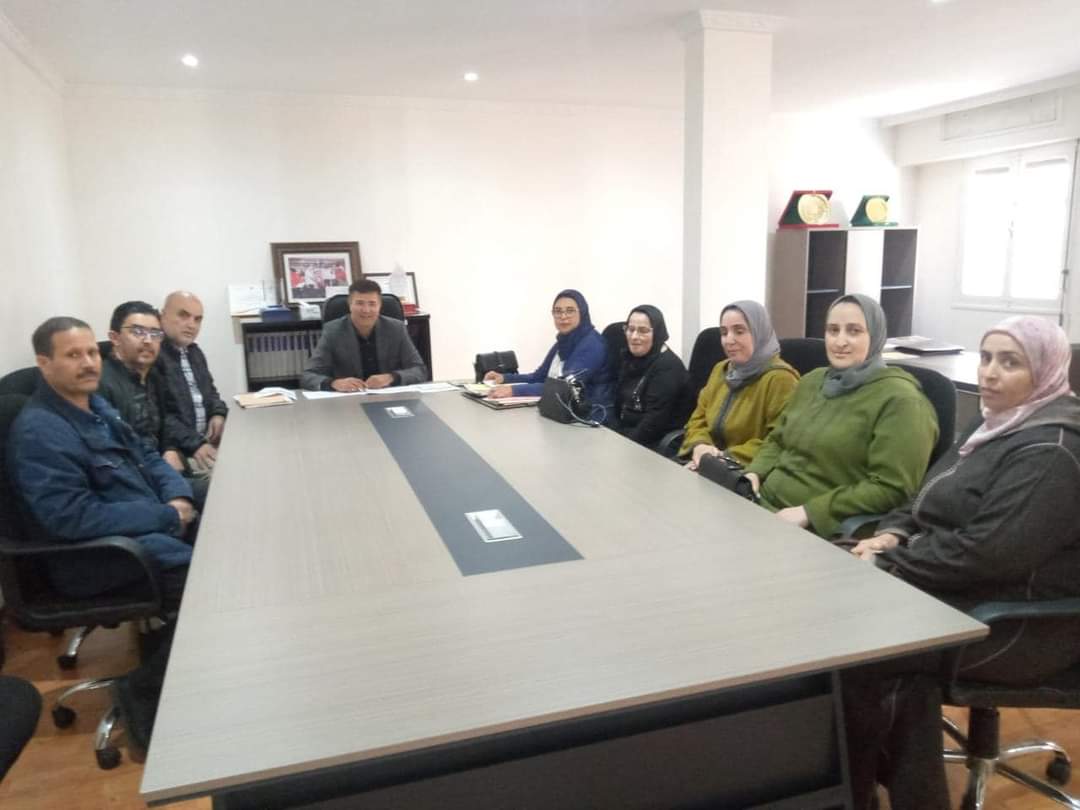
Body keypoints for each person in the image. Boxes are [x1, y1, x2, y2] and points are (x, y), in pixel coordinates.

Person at [841, 316, 1080, 810]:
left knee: (874, 655)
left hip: (1019, 623)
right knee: (845, 625)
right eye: (986, 357)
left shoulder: (1052, 450)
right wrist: (892, 532)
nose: (989, 372)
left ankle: (897, 797)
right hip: (963, 590)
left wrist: (893, 560)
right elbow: (927, 496)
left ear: (1046, 372)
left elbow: (990, 553)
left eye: (1010, 362)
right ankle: (853, 784)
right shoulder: (993, 423)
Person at [6, 317, 194, 607]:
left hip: (144, 523)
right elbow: (74, 517)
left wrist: (178, 496)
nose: (88, 363)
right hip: (106, 557)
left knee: (223, 507)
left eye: (92, 352)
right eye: (73, 355)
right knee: (217, 580)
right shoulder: (40, 432)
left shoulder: (95, 404)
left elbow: (145, 454)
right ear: (44, 363)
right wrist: (166, 515)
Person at [743, 294, 938, 538]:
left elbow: (892, 488)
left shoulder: (902, 402)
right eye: (833, 330)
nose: (840, 341)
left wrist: (810, 512)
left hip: (817, 528)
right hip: (761, 504)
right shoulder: (812, 381)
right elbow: (778, 439)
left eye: (854, 331)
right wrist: (754, 472)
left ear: (875, 336)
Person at [678, 300, 799, 468]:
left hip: (747, 470)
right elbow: (698, 418)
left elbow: (778, 440)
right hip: (706, 461)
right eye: (724, 332)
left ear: (759, 332)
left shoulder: (780, 379)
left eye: (739, 331)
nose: (729, 340)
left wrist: (722, 458)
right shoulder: (721, 369)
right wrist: (700, 445)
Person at [484, 289, 614, 417]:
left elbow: (564, 387)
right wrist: (505, 378)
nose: (563, 316)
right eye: (558, 311)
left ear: (583, 312)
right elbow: (539, 377)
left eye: (570, 311)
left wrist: (513, 390)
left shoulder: (593, 344)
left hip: (592, 416)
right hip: (564, 411)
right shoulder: (564, 342)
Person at [98, 301, 185, 471]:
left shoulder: (155, 376)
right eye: (137, 332)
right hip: (133, 476)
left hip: (161, 467)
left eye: (155, 333)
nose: (148, 340)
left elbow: (165, 423)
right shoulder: (101, 383)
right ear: (115, 338)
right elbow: (111, 453)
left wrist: (170, 448)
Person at [301, 279, 427, 391]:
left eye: (372, 304)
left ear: (380, 306)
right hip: (349, 400)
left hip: (389, 397)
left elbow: (419, 370)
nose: (366, 310)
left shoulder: (396, 329)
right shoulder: (333, 331)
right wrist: (334, 383)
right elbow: (308, 376)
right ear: (350, 305)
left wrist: (391, 377)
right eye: (360, 303)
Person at [156, 291, 228, 472]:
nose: (191, 325)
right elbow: (160, 417)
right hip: (180, 451)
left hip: (203, 442)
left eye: (197, 319)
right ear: (162, 316)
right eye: (183, 315)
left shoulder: (195, 353)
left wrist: (218, 414)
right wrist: (195, 444)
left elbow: (211, 392)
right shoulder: (154, 357)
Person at [612, 305, 689, 447]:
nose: (634, 336)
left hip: (654, 443)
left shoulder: (668, 367)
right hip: (628, 433)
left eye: (643, 331)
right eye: (630, 329)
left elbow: (653, 423)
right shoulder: (630, 358)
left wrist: (621, 446)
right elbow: (618, 404)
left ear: (657, 333)